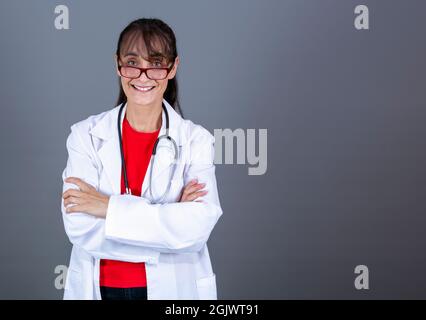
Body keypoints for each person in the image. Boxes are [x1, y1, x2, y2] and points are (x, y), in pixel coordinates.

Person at [60, 18, 223, 300]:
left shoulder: (196, 140)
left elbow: (196, 228)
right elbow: (79, 226)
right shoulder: (84, 135)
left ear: (173, 68)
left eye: (157, 63)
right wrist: (168, 227)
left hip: (172, 289)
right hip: (99, 286)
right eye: (132, 62)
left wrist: (106, 207)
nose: (143, 75)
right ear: (118, 65)